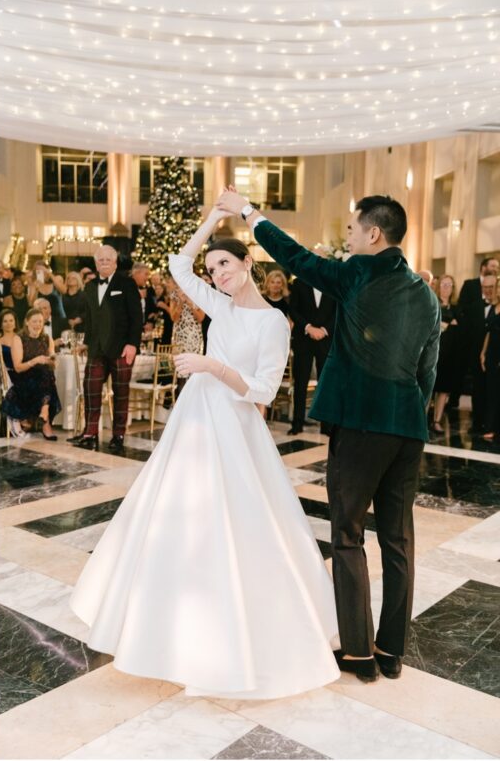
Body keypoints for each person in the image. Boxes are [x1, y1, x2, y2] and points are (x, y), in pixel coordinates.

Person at [71, 204, 339, 700]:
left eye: (226, 265)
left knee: (238, 522)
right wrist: (212, 220)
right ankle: (165, 630)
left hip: (234, 426)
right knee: (174, 516)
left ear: (248, 266)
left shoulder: (274, 322)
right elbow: (177, 266)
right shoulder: (222, 306)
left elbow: (262, 391)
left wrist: (212, 367)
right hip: (195, 420)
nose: (217, 275)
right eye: (213, 268)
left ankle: (235, 633)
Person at [218, 189, 440, 683]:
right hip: (407, 429)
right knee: (399, 540)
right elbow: (429, 370)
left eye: (352, 231)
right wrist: (408, 413)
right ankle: (392, 651)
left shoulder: (359, 273)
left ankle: (359, 653)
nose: (347, 239)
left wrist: (249, 211)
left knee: (347, 534)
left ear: (373, 233)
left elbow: (293, 256)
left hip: (361, 425)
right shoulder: (426, 293)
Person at [69, 246, 142, 455]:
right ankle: (89, 434)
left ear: (115, 262)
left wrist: (132, 344)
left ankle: (118, 435)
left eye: (107, 260)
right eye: (100, 260)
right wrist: (87, 342)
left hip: (121, 348)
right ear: (95, 263)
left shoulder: (126, 284)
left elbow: (136, 317)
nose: (103, 263)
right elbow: (91, 318)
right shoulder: (90, 286)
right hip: (97, 348)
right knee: (91, 390)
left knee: (121, 393)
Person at [1, 307, 61, 440]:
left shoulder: (47, 338)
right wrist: (34, 361)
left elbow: (52, 362)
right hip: (23, 377)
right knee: (47, 377)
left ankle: (44, 413)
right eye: (34, 321)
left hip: (42, 378)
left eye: (40, 321)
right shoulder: (19, 338)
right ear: (27, 322)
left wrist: (53, 361)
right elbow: (18, 367)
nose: (38, 324)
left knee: (46, 373)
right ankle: (46, 422)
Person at [287, 275, 337, 435]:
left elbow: (339, 310)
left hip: (325, 340)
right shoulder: (299, 283)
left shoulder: (333, 284)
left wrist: (324, 330)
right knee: (300, 383)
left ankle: (327, 425)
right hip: (304, 339)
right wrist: (308, 327)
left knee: (326, 384)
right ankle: (297, 423)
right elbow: (293, 309)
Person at [458, 259, 499, 431]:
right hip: (477, 355)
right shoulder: (474, 306)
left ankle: (491, 425)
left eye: (492, 287)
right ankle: (477, 423)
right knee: (478, 390)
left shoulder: (497, 307)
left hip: (494, 355)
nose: (488, 291)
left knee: (493, 391)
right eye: (485, 287)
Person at [431, 275, 461, 433]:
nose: (446, 287)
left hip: (449, 353)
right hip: (433, 352)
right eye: (443, 284)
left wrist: (446, 325)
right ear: (438, 286)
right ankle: (422, 420)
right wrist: (447, 324)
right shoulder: (433, 303)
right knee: (430, 388)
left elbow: (458, 327)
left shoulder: (456, 308)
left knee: (443, 388)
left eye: (449, 284)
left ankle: (437, 421)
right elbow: (433, 323)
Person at [169, 272, 205, 397]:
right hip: (180, 337)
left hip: (195, 338)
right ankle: (179, 405)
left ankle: (194, 404)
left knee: (194, 371)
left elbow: (201, 318)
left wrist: (189, 303)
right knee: (180, 372)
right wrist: (180, 302)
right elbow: (174, 318)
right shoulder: (174, 295)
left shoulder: (199, 295)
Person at [481, 288, 500, 441]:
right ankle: (490, 427)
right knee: (491, 392)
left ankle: (496, 429)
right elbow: (488, 332)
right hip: (492, 354)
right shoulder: (493, 307)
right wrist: (483, 352)